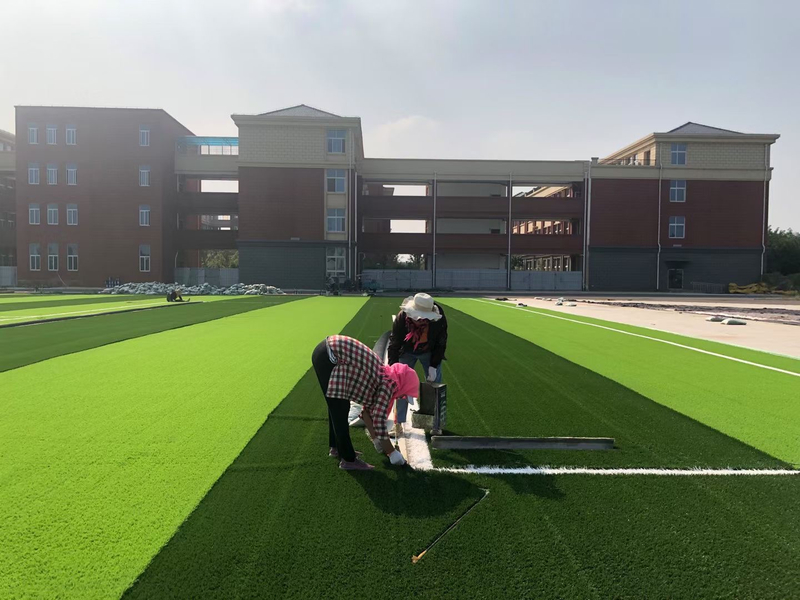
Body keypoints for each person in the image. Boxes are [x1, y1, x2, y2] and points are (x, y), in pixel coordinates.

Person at [312, 335, 419, 471]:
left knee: (336, 406)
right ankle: (348, 460)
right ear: (404, 385)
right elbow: (379, 422)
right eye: (404, 394)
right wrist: (392, 453)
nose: (402, 397)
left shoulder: (384, 375)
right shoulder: (389, 385)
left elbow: (366, 413)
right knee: (340, 408)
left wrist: (376, 440)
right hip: (330, 355)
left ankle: (336, 448)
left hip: (327, 350)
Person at [388, 293, 448, 425]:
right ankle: (400, 423)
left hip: (429, 351)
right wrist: (393, 367)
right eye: (419, 318)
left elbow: (441, 343)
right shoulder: (401, 319)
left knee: (435, 384)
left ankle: (436, 423)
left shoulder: (439, 320)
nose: (422, 321)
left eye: (425, 318)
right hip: (407, 352)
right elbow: (394, 343)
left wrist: (434, 365)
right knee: (400, 385)